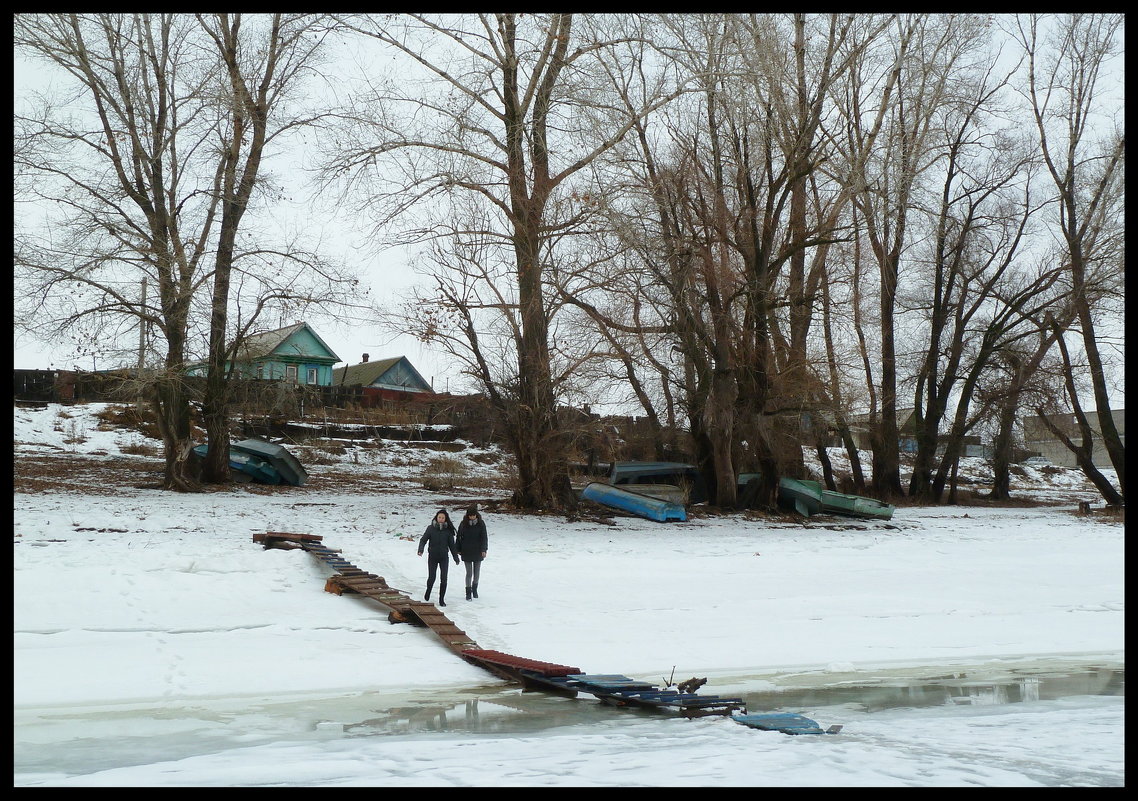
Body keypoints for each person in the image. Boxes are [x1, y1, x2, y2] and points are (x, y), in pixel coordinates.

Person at [418, 509, 459, 606]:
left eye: (443, 518)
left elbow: (452, 546)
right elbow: (423, 540)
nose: (441, 519)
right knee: (432, 577)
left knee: (444, 579)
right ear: (436, 518)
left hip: (444, 557)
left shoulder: (448, 531)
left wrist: (455, 557)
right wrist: (421, 549)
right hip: (433, 556)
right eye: (439, 517)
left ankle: (441, 599)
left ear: (445, 519)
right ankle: (428, 591)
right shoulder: (430, 528)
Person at [456, 505, 488, 600]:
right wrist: (458, 549)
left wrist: (484, 549)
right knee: (469, 572)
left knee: (477, 572)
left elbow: (484, 538)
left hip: (478, 551)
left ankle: (475, 589)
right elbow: (458, 537)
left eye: (474, 515)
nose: (472, 517)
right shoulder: (463, 524)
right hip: (466, 551)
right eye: (470, 516)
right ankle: (468, 591)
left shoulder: (481, 524)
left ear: (476, 515)